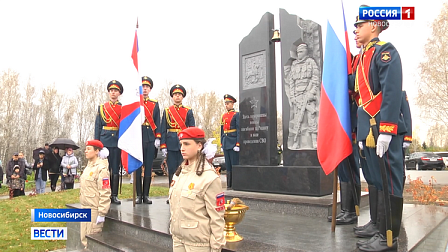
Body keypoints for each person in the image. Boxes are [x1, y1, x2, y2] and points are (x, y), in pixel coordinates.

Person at [353, 9, 405, 251]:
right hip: (369, 129)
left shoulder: (385, 51)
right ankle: (378, 225)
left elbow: (391, 91)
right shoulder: (363, 56)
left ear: (373, 25)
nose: (356, 30)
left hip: (383, 128)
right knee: (375, 178)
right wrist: (363, 131)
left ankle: (389, 237)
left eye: (359, 25)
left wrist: (386, 129)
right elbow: (361, 97)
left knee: (390, 181)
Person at [169, 127, 225, 252]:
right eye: (181, 144)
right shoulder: (179, 173)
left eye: (187, 144)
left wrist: (216, 247)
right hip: (178, 240)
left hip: (198, 245)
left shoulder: (209, 177)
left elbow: (217, 217)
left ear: (199, 145)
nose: (182, 148)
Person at [160, 84, 195, 203]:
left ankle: (184, 194)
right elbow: (163, 129)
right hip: (170, 144)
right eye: (175, 95)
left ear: (183, 96)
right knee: (172, 171)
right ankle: (172, 194)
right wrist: (163, 145)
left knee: (185, 169)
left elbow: (192, 129)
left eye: (179, 95)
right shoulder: (167, 111)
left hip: (184, 144)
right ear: (172, 97)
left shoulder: (188, 111)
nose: (177, 97)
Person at [284, 43, 321, 149]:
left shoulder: (311, 62)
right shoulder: (294, 64)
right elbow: (291, 82)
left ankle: (314, 141)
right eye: (298, 52)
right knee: (298, 120)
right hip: (297, 96)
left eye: (301, 52)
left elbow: (315, 79)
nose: (299, 54)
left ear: (305, 52)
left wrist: (311, 93)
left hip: (308, 95)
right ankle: (296, 141)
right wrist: (292, 97)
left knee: (312, 118)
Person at [94, 80, 123, 204]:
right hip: (104, 142)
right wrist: (97, 146)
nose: (113, 93)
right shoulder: (102, 107)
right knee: (104, 170)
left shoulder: (123, 108)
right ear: (108, 92)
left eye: (115, 91)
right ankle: (103, 194)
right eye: (111, 90)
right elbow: (98, 126)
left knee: (115, 170)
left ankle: (114, 195)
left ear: (119, 93)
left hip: (117, 141)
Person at [79, 140, 111, 249]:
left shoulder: (101, 169)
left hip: (94, 210)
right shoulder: (88, 167)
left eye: (89, 149)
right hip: (84, 208)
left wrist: (102, 213)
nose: (86, 151)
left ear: (97, 151)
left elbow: (105, 192)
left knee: (92, 243)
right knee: (84, 239)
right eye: (85, 149)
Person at [135, 76, 161, 204]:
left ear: (150, 89)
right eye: (143, 87)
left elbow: (157, 121)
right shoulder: (135, 103)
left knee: (149, 167)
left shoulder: (154, 104)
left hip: (150, 138)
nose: (145, 89)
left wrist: (158, 137)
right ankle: (138, 195)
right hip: (138, 138)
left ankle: (146, 195)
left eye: (147, 87)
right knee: (138, 168)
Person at [220, 94, 240, 190]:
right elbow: (221, 130)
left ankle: (235, 184)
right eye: (226, 103)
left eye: (228, 103)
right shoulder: (223, 116)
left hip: (233, 142)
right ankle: (229, 185)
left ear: (232, 104)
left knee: (234, 164)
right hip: (226, 141)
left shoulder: (236, 115)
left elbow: (238, 129)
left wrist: (238, 143)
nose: (226, 105)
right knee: (227, 164)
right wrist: (221, 142)